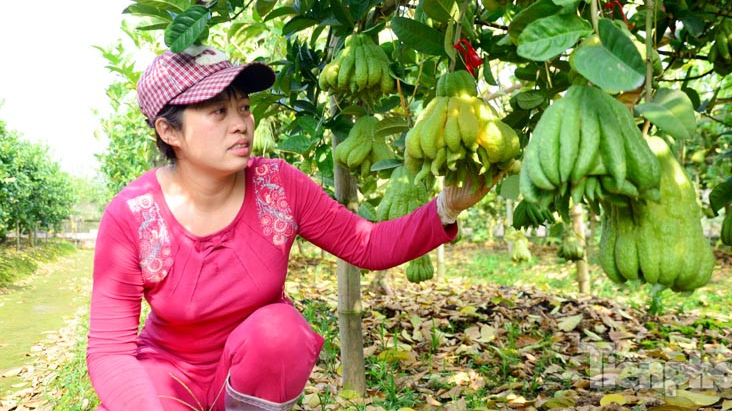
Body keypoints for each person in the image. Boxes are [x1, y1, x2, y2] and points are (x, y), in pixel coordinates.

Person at [87, 45, 495, 411]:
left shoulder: (276, 185)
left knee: (280, 332)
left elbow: (367, 245)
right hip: (166, 380)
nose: (241, 124)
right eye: (218, 112)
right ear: (169, 130)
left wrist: (446, 207)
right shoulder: (133, 215)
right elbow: (109, 350)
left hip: (254, 372)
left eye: (244, 108)